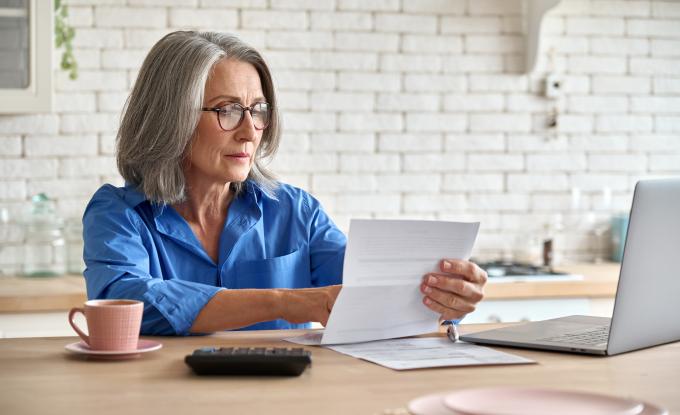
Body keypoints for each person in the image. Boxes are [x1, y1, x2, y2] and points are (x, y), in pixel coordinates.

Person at [82, 31, 488, 336]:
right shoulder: (118, 214)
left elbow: (371, 291)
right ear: (171, 117)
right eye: (227, 110)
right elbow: (127, 302)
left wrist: (447, 298)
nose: (249, 132)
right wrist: (287, 302)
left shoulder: (297, 213)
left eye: (258, 110)